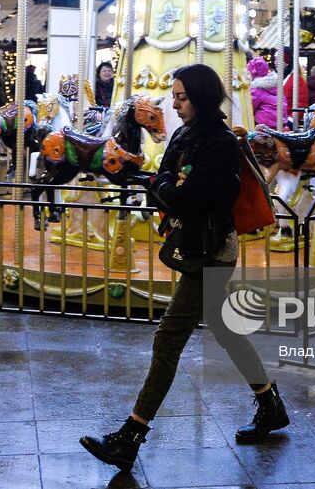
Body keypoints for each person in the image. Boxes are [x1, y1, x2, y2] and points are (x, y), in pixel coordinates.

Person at [80, 64, 286, 471]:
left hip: (211, 253)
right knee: (226, 330)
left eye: (182, 97)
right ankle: (270, 404)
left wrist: (169, 187)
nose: (175, 103)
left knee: (168, 340)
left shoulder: (220, 141)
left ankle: (130, 436)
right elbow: (168, 184)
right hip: (197, 245)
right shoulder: (185, 134)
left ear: (203, 97)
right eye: (174, 96)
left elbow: (187, 196)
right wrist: (167, 186)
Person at [247, 56, 284, 128]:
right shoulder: (273, 85)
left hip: (265, 121)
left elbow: (251, 106)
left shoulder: (257, 88)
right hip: (279, 119)